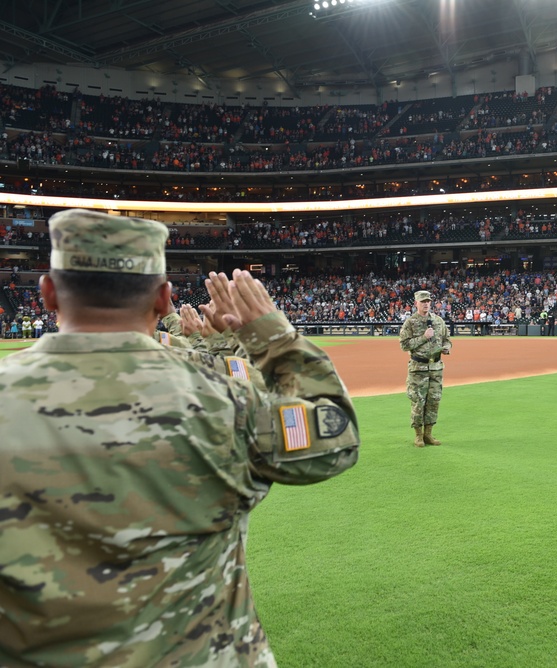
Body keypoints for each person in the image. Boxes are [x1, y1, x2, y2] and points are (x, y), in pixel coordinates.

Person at [0, 209, 360, 666]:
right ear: (163, 298)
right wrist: (274, 337)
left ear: (48, 293)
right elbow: (337, 436)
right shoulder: (225, 400)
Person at [399, 289, 452, 447]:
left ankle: (428, 434)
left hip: (436, 367)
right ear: (416, 303)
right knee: (418, 401)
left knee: (434, 400)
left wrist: (447, 348)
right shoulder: (410, 322)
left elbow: (447, 339)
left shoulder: (438, 321)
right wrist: (424, 337)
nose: (426, 304)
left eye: (428, 301)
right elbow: (404, 345)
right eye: (423, 302)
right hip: (418, 368)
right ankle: (418, 435)